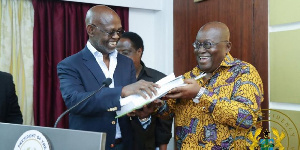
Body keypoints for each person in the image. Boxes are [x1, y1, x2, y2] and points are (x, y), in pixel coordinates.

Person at [138, 22, 264, 149]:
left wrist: (200, 94)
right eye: (197, 45)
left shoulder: (244, 72)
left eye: (208, 44)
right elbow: (168, 111)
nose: (200, 50)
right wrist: (151, 107)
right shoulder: (189, 76)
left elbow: (246, 118)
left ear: (227, 47)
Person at [57, 5, 159, 150]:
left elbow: (129, 104)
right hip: (90, 145)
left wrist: (144, 107)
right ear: (91, 30)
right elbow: (75, 102)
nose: (116, 37)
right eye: (110, 32)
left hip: (124, 143)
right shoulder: (70, 65)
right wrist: (122, 91)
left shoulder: (126, 63)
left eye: (119, 31)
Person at [116, 32, 172, 150]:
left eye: (125, 53)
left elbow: (164, 122)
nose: (119, 58)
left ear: (139, 51)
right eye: (116, 53)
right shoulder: (110, 78)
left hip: (146, 144)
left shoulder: (158, 79)